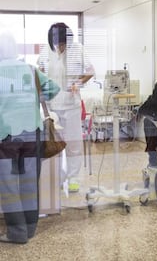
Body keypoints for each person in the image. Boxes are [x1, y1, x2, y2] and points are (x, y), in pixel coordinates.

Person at [0, 31, 60, 244]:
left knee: (8, 185)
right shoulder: (30, 70)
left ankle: (17, 234)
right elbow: (54, 89)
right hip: (32, 134)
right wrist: (34, 98)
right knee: (29, 183)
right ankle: (30, 228)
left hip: (5, 136)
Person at [40, 22, 95, 193]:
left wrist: (77, 83)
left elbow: (90, 71)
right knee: (54, 144)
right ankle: (57, 176)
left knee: (73, 143)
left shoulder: (78, 49)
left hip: (71, 105)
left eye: (62, 43)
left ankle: (73, 178)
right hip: (52, 106)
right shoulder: (46, 50)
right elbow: (40, 71)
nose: (59, 46)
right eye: (56, 43)